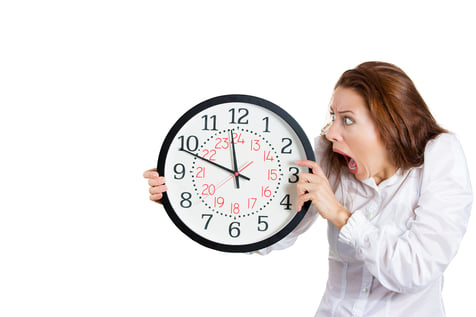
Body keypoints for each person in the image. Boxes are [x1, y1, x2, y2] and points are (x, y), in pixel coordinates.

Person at [143, 62, 472, 316]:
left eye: (347, 119)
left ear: (388, 123)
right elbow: (270, 230)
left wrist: (342, 216)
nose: (331, 131)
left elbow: (416, 271)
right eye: (332, 116)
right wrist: (184, 199)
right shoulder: (326, 157)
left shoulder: (439, 155)